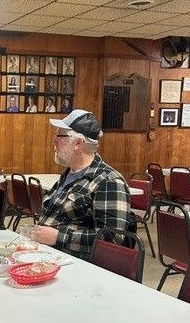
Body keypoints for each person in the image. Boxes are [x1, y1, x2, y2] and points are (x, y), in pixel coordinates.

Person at [34, 109, 130, 259]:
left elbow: (112, 239)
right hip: (48, 258)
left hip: (76, 268)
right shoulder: (70, 174)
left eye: (59, 136)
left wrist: (58, 237)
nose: (54, 141)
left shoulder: (108, 181)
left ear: (78, 143)